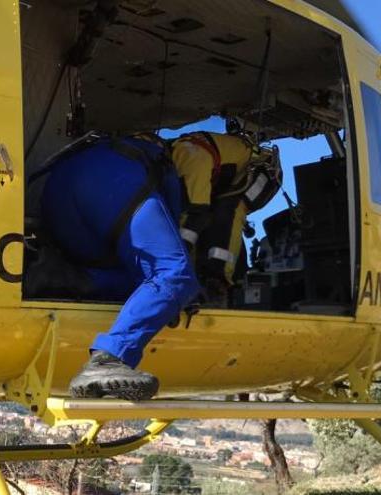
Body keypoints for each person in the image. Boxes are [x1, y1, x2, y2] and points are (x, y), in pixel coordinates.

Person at [40, 135, 201, 400]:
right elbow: (172, 244)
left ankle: (60, 278)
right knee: (176, 273)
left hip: (57, 189)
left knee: (137, 283)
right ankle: (109, 357)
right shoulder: (189, 162)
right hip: (112, 179)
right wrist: (179, 295)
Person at [170, 132, 282, 302]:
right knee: (205, 217)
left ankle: (217, 281)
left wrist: (172, 260)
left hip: (262, 171)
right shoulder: (172, 164)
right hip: (227, 179)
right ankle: (197, 276)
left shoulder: (189, 158)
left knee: (227, 211)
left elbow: (196, 216)